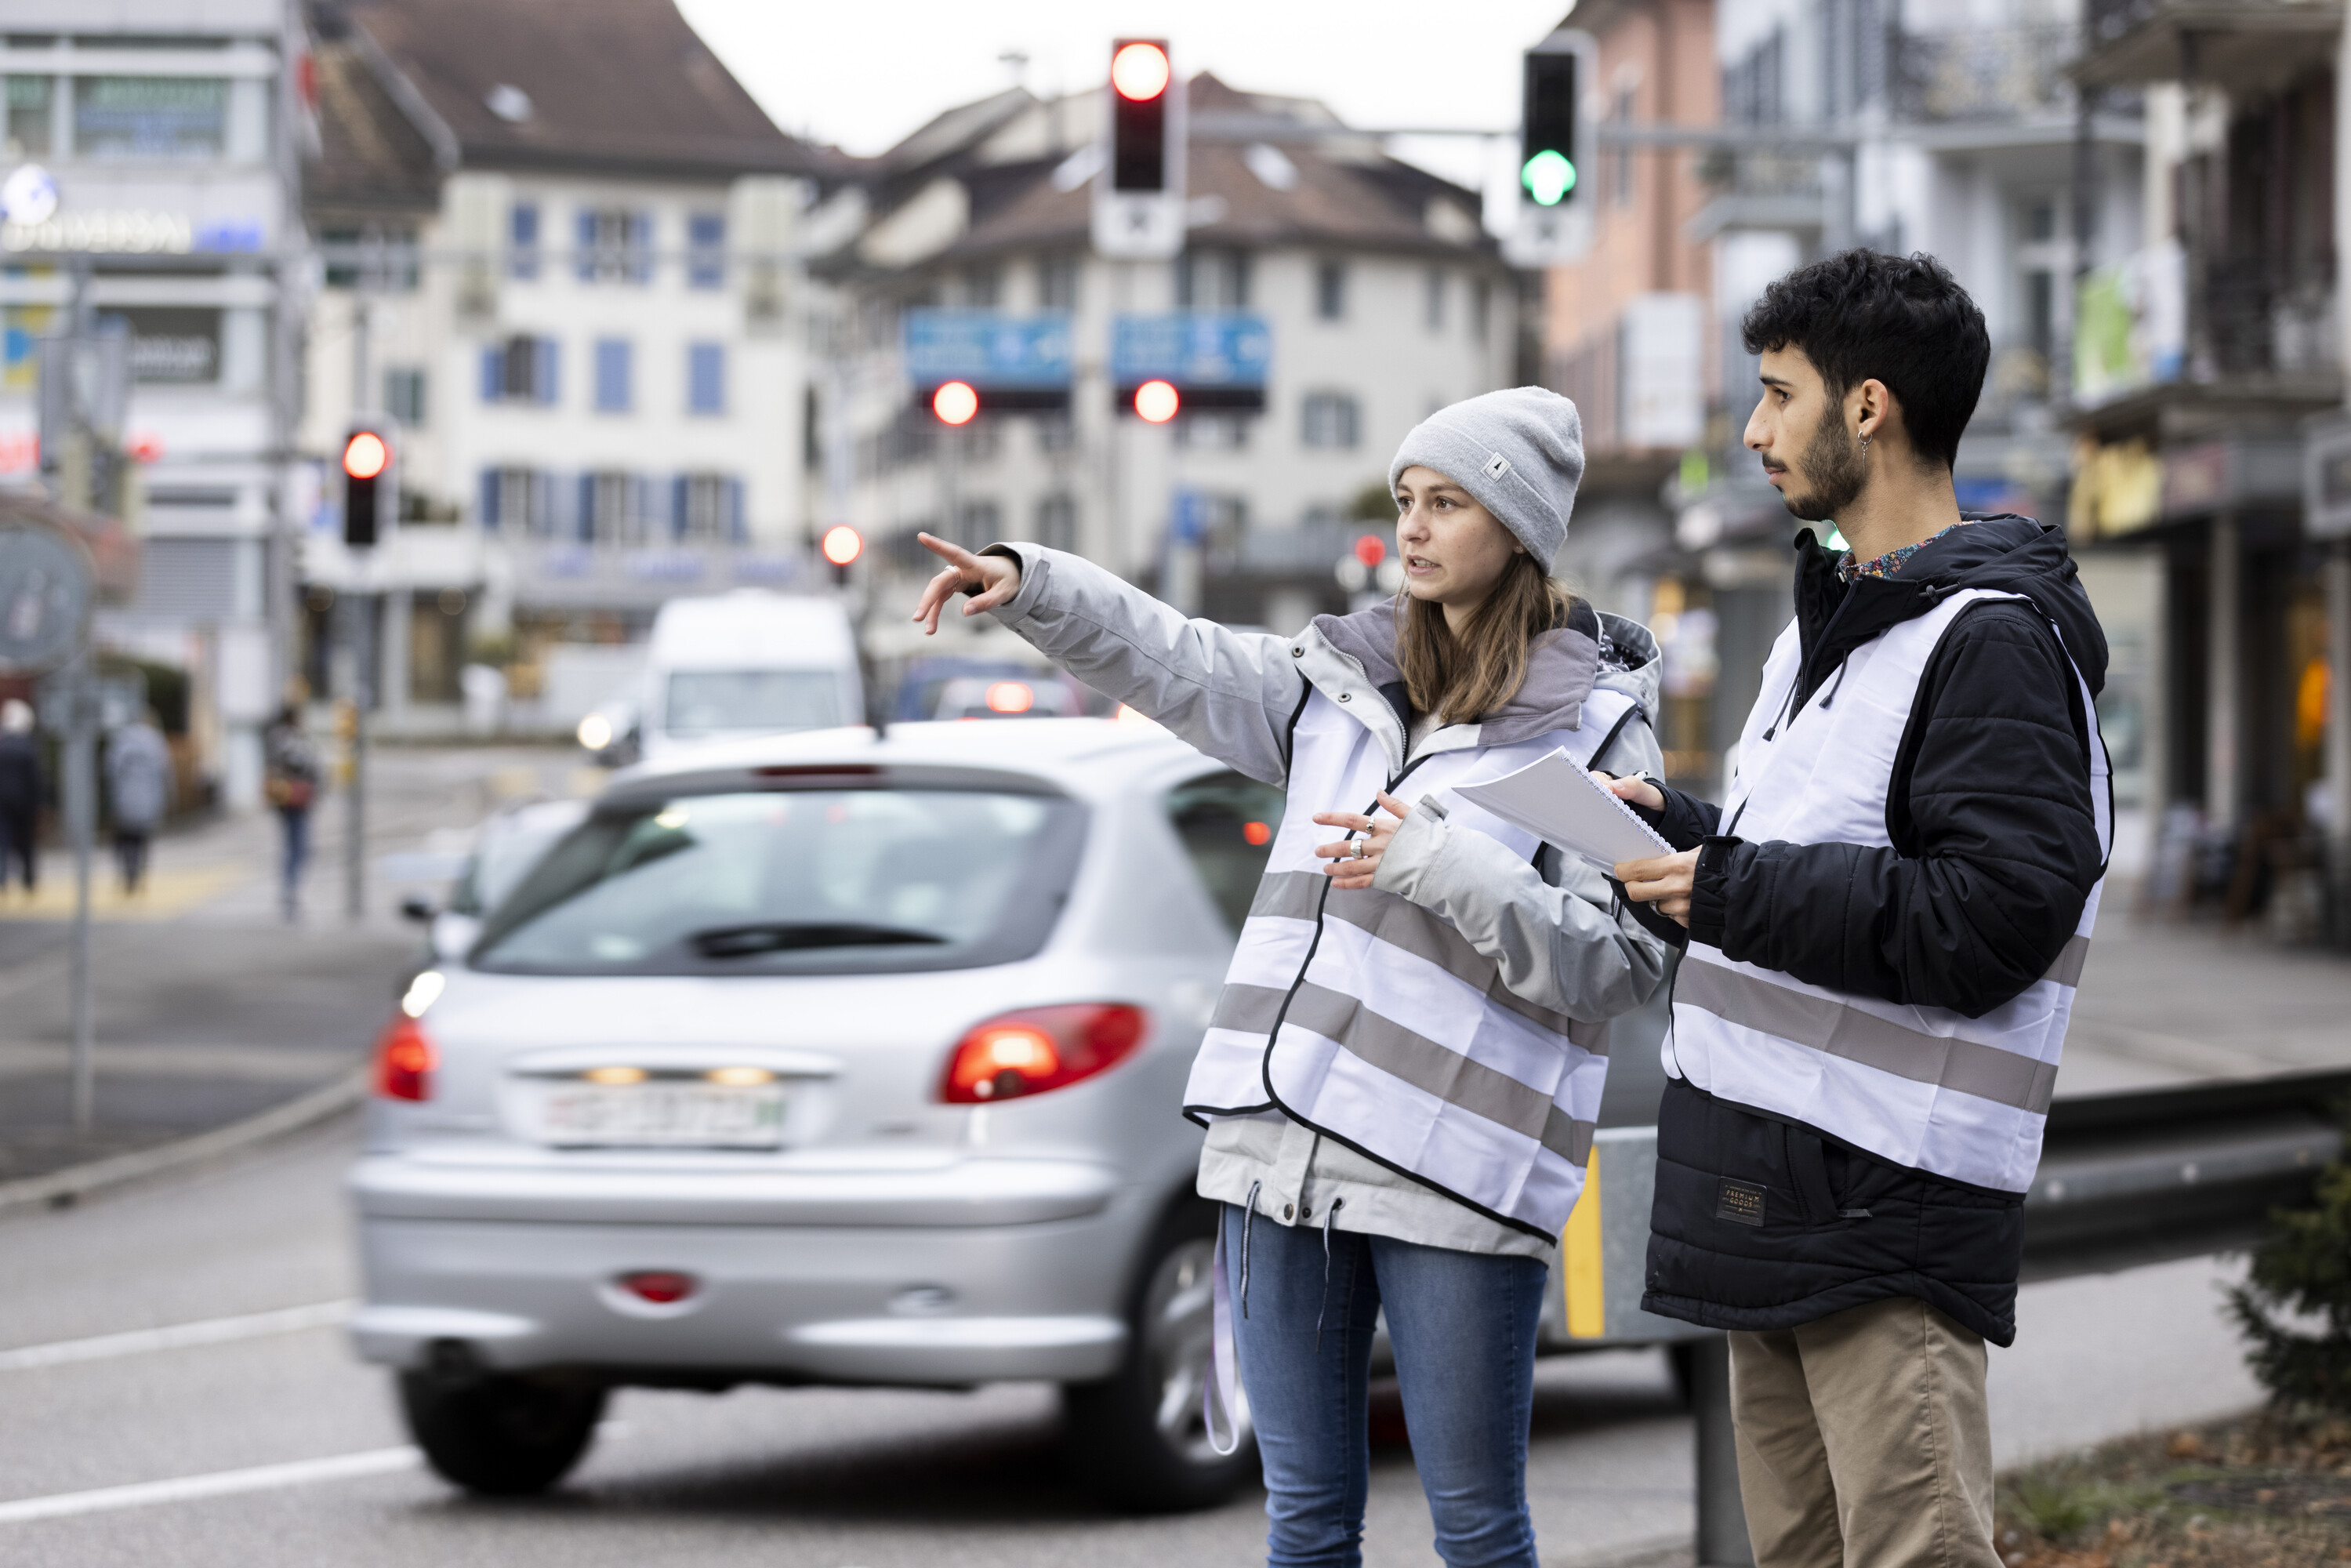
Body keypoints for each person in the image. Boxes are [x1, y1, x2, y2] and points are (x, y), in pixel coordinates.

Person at [912, 387, 1674, 1568]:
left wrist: (1439, 865)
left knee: (1475, 1528)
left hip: (1452, 1172)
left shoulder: (1596, 730)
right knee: (1304, 1522)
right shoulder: (1337, 683)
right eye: (1405, 501)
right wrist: (1037, 584)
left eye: (1447, 504)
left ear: (1517, 531)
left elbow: (1620, 963)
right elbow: (1176, 659)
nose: (1411, 529)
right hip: (1279, 1157)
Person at [1606, 250, 2109, 1568]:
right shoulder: (1828, 631)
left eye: (1775, 395)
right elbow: (1805, 874)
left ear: (1867, 408)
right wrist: (1678, 848)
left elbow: (1989, 917)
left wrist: (1734, 888)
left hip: (1878, 1214)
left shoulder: (1986, 637)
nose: (1751, 429)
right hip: (1771, 1201)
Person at [263, 702, 321, 921]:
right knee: (299, 847)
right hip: (295, 800)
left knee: (293, 846)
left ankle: (289, 891)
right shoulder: (289, 739)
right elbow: (303, 765)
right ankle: (290, 892)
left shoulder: (276, 738)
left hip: (286, 800)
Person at [105, 706, 172, 895]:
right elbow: (166, 773)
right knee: (143, 841)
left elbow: (110, 771)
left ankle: (128, 874)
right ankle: (140, 874)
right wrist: (168, 800)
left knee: (125, 840)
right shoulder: (156, 742)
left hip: (123, 800)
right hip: (149, 802)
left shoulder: (121, 741)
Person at [0, 698, 40, 895]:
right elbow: (34, 778)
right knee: (26, 842)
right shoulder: (27, 746)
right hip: (23, 801)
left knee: (3, 841)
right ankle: (29, 880)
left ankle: (2, 880)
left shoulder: (2, 744)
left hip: (2, 802)